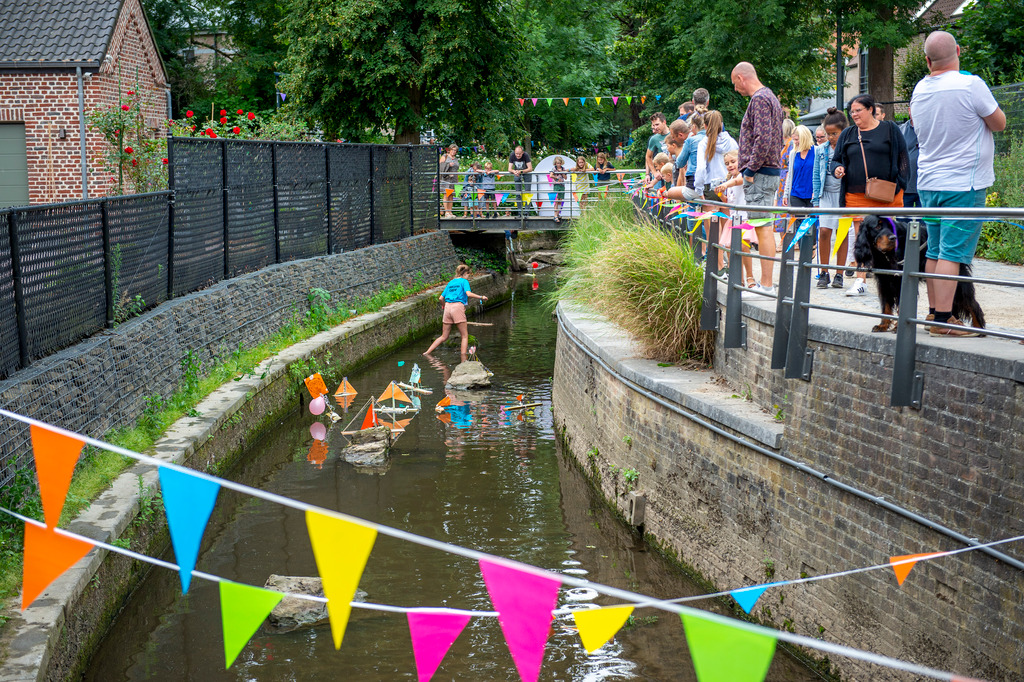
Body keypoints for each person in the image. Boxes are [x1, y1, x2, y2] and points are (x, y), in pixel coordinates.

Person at [911, 30, 1005, 337]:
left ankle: (933, 313)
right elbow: (1000, 123)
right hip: (963, 183)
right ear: (959, 51)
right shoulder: (971, 84)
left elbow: (915, 125)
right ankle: (943, 319)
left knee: (936, 251)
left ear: (927, 61)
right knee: (951, 254)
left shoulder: (920, 89)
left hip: (928, 182)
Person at [831, 93, 909, 296]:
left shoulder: (890, 129)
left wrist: (901, 182)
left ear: (871, 109)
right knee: (861, 236)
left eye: (858, 110)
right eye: (852, 111)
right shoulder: (848, 134)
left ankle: (890, 274)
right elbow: (836, 160)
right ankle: (861, 279)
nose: (854, 114)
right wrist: (838, 169)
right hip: (856, 194)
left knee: (889, 234)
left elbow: (903, 156)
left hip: (887, 193)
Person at [731, 61, 784, 295]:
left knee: (762, 227)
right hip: (767, 171)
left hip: (760, 174)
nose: (735, 89)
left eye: (735, 83)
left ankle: (767, 285)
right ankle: (766, 283)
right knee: (763, 226)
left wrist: (750, 171)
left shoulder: (759, 99)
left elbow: (762, 138)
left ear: (741, 78)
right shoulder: (771, 97)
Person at [811, 107, 849, 289]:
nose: (831, 137)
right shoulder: (820, 150)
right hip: (825, 194)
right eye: (828, 134)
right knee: (824, 231)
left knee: (841, 234)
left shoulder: (848, 149)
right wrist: (816, 200)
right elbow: (816, 176)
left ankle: (839, 273)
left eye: (835, 134)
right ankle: (824, 271)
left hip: (842, 196)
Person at [423, 264, 488, 362]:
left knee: (444, 336)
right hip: (457, 307)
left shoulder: (451, 282)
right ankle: (463, 360)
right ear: (465, 273)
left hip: (448, 307)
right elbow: (468, 294)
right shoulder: (464, 281)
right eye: (468, 274)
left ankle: (427, 353)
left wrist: (444, 306)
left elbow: (441, 298)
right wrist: (481, 297)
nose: (468, 277)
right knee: (465, 336)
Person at [693, 110, 738, 195]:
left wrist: (699, 190)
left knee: (710, 209)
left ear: (705, 126)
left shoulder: (703, 144)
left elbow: (701, 169)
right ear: (721, 125)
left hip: (710, 187)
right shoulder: (731, 142)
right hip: (728, 185)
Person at [783, 125, 815, 209]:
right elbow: (790, 175)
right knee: (798, 221)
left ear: (804, 138)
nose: (795, 142)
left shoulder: (816, 151)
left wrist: (817, 192)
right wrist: (786, 194)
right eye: (794, 139)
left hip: (812, 194)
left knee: (812, 221)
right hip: (796, 194)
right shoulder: (793, 154)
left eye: (797, 139)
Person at [678, 113, 705, 192]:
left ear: (694, 126)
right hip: (712, 179)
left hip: (694, 179)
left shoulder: (691, 140)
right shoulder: (714, 138)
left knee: (671, 192)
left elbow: (679, 163)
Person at [900, 118, 920, 208]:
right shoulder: (901, 130)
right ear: (909, 111)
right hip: (906, 187)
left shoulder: (932, 128)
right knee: (902, 220)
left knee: (926, 221)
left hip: (925, 186)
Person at [508, 146, 533, 216]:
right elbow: (509, 168)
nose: (518, 155)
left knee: (527, 193)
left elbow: (530, 168)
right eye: (516, 154)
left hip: (526, 174)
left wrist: (521, 171)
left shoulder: (526, 155)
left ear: (522, 152)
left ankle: (526, 212)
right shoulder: (512, 155)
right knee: (518, 193)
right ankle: (519, 212)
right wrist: (514, 171)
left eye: (519, 154)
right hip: (517, 174)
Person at [440, 145, 459, 218]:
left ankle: (450, 211)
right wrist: (448, 165)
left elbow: (456, 169)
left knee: (451, 195)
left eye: (455, 150)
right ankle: (446, 212)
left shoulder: (456, 159)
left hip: (453, 179)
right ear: (449, 150)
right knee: (446, 195)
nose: (453, 152)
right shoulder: (444, 156)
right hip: (446, 178)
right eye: (452, 150)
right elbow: (440, 167)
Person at [551, 156, 567, 222]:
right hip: (556, 185)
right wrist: (557, 179)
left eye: (560, 163)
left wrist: (562, 172)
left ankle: (558, 214)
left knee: (560, 199)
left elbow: (565, 177)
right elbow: (551, 175)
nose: (558, 164)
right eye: (557, 163)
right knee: (556, 199)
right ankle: (555, 215)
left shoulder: (563, 169)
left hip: (562, 185)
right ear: (555, 163)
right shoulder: (554, 168)